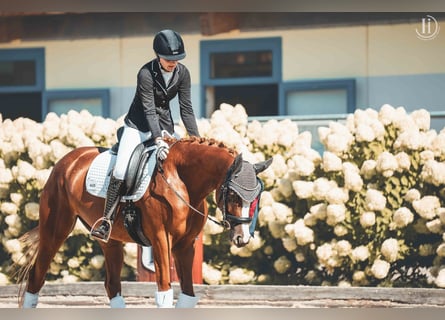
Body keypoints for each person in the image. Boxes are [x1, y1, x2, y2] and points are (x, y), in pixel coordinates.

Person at [90, 29, 200, 242]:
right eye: (169, 59)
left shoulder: (183, 73)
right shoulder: (146, 73)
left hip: (165, 125)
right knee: (121, 168)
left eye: (176, 59)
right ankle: (107, 221)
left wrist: (196, 139)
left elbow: (186, 108)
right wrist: (158, 139)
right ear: (158, 55)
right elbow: (149, 109)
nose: (173, 63)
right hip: (138, 126)